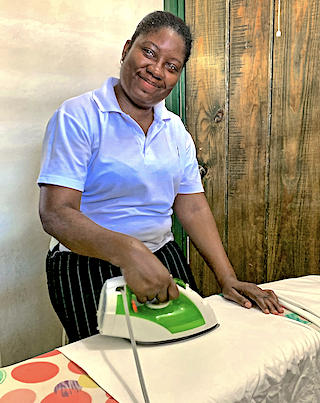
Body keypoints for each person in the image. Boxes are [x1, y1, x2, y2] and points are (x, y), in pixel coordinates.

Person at [38, 11, 282, 343]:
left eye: (171, 66)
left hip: (161, 255)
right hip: (85, 263)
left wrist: (227, 277)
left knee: (188, 354)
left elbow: (193, 209)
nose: (156, 70)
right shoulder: (79, 116)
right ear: (127, 49)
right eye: (149, 52)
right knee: (118, 374)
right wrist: (129, 252)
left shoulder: (175, 130)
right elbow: (56, 214)